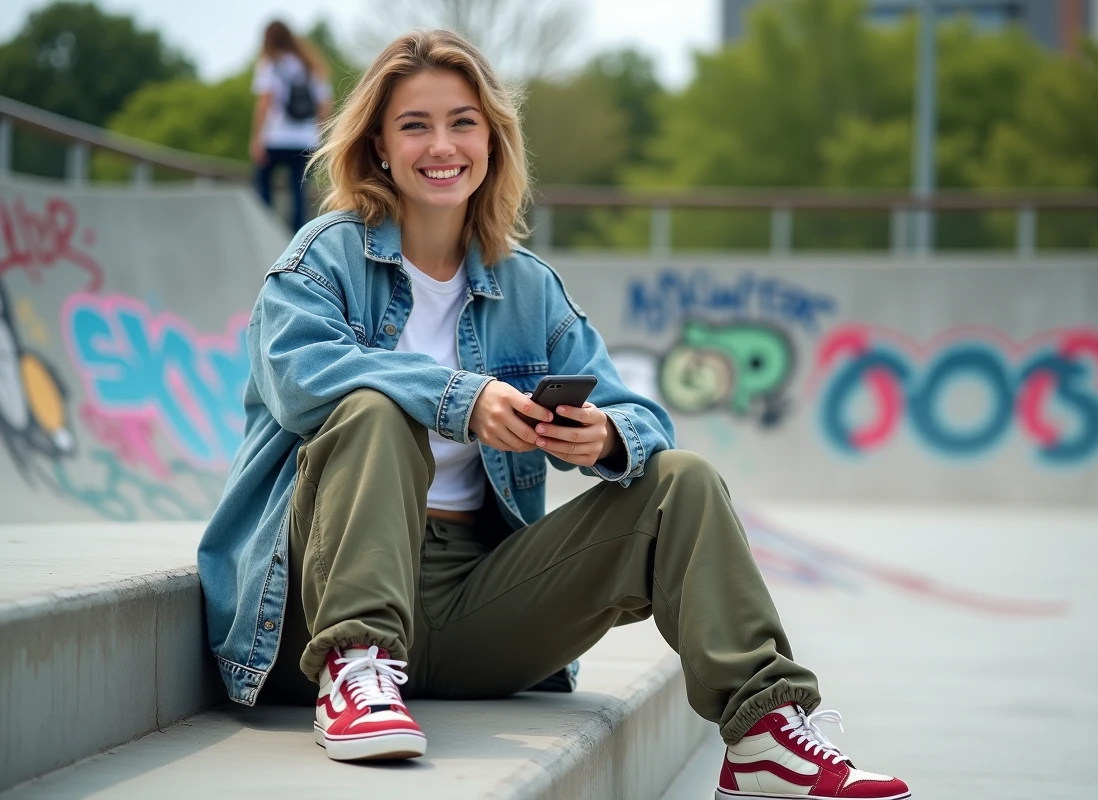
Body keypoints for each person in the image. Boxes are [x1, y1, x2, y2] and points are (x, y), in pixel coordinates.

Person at [198, 28, 910, 800]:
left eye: (463, 121)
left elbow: (641, 416)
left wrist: (604, 437)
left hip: (476, 604)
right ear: (377, 146)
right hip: (320, 608)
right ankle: (357, 673)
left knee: (681, 480)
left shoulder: (526, 289)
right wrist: (460, 399)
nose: (443, 145)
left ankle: (764, 737)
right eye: (415, 125)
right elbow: (301, 376)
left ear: (494, 140)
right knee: (374, 409)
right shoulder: (322, 258)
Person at [249, 20, 333, 232]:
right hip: (305, 139)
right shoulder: (310, 64)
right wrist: (320, 135)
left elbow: (264, 104)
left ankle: (265, 228)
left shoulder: (270, 64)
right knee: (299, 191)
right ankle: (297, 236)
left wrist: (257, 138)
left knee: (262, 183)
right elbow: (325, 104)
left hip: (276, 138)